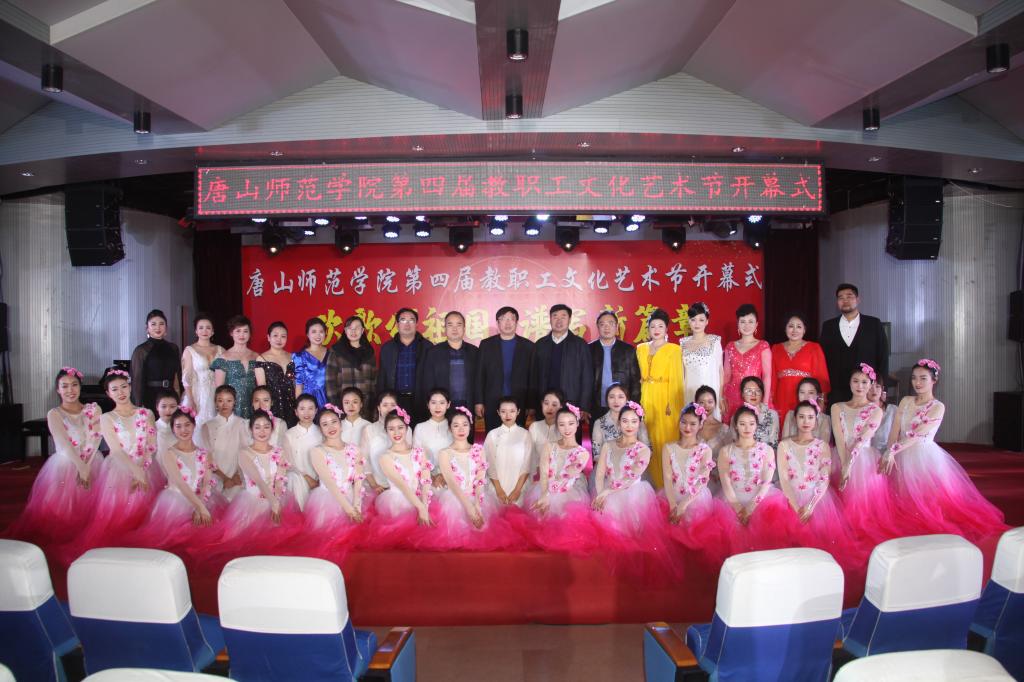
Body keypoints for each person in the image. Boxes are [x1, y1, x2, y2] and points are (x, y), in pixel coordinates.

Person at [881, 360, 1006, 542]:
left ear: (934, 380)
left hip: (924, 457)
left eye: (923, 378)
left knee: (926, 499)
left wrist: (892, 451)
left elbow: (916, 434)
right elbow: (895, 430)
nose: (917, 382)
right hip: (900, 455)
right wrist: (889, 451)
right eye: (914, 378)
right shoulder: (906, 401)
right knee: (901, 497)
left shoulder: (937, 406)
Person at [64, 369, 161, 559]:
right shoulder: (107, 418)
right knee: (119, 517)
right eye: (115, 389)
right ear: (108, 393)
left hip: (146, 465)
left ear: (130, 387)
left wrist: (142, 469)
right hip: (120, 468)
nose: (121, 392)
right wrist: (135, 471)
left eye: (124, 387)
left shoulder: (146, 413)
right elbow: (116, 450)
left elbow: (151, 444)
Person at [6, 367, 103, 547]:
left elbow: (96, 438)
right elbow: (64, 444)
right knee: (65, 507)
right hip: (66, 462)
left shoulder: (94, 409)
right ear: (58, 390)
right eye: (64, 386)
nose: (70, 390)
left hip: (92, 460)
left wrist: (87, 465)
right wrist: (80, 466)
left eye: (74, 385)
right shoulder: (54, 414)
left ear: (80, 387)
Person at [592, 402, 678, 581]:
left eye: (633, 421)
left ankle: (629, 576)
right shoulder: (608, 445)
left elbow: (630, 477)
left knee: (632, 539)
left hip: (633, 495)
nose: (629, 425)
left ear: (639, 423)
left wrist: (606, 493)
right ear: (619, 423)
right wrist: (601, 494)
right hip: (607, 492)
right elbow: (599, 475)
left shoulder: (643, 450)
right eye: (625, 421)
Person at [203, 409, 300, 561]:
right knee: (245, 547)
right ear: (251, 430)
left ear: (272, 429)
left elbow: (280, 479)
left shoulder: (280, 451)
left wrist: (277, 500)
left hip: (278, 498)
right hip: (252, 502)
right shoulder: (244, 453)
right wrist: (273, 503)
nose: (262, 431)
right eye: (257, 427)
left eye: (266, 427)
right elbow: (258, 480)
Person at [127, 406, 223, 553]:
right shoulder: (169, 453)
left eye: (187, 425)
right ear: (173, 429)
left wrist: (202, 504)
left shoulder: (205, 453)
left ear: (194, 425)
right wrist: (199, 507)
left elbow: (207, 483)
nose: (183, 430)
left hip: (202, 499)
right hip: (176, 502)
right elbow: (180, 483)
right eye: (178, 426)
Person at [777, 401, 860, 568]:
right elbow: (784, 479)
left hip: (818, 501)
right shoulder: (784, 445)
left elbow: (824, 477)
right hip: (788, 499)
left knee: (817, 551)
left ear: (816, 420)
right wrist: (796, 507)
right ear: (795, 419)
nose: (806, 421)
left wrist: (811, 506)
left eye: (810, 417)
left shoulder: (822, 446)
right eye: (801, 417)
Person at [432, 407, 523, 550]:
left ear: (470, 427)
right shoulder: (444, 453)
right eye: (456, 425)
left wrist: (478, 506)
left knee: (485, 534)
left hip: (478, 498)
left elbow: (480, 480)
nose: (461, 429)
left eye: (465, 425)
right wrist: (469, 508)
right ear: (449, 428)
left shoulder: (479, 450)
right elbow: (451, 482)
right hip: (455, 499)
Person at [832, 364, 900, 544]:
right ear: (849, 383)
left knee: (863, 507)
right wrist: (843, 463)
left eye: (864, 382)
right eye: (855, 381)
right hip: (841, 456)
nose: (860, 386)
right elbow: (839, 438)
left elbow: (861, 439)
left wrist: (849, 465)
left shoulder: (875, 411)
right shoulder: (837, 407)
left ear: (870, 385)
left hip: (864, 460)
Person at [661, 403, 732, 567]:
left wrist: (683, 505)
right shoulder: (668, 448)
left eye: (693, 423)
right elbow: (667, 477)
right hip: (671, 497)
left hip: (696, 499)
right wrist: (673, 504)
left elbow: (702, 480)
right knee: (672, 545)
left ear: (700, 425)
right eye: (684, 422)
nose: (687, 427)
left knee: (695, 544)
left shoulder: (704, 450)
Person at [521, 405, 598, 553]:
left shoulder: (582, 453)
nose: (566, 428)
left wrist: (549, 496)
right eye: (562, 424)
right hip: (545, 488)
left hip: (568, 491)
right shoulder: (549, 446)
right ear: (557, 426)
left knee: (564, 528)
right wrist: (544, 494)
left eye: (570, 423)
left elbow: (565, 478)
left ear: (577, 423)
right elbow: (544, 472)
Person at [717, 404, 789, 554]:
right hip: (731, 502)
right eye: (742, 424)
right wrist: (738, 509)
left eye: (751, 423)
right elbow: (726, 482)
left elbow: (766, 482)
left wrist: (750, 508)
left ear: (757, 425)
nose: (747, 428)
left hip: (761, 501)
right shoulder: (725, 451)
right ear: (735, 426)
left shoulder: (767, 450)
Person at [303, 406, 368, 559]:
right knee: (329, 547)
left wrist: (357, 506)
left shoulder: (354, 449)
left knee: (355, 549)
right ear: (320, 429)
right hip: (328, 501)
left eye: (334, 422)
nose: (331, 427)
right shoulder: (317, 451)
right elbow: (330, 483)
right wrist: (349, 510)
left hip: (353, 498)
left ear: (340, 423)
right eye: (325, 424)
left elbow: (358, 479)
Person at [365, 408, 436, 548]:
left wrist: (425, 505)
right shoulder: (385, 457)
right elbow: (403, 486)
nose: (396, 433)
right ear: (386, 431)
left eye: (400, 427)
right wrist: (421, 508)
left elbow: (426, 480)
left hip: (422, 498)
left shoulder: (419, 452)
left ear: (407, 428)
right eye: (391, 429)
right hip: (398, 503)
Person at [637, 308, 684, 488]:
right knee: (647, 438)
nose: (656, 330)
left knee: (665, 440)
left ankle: (668, 485)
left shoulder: (674, 350)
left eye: (660, 326)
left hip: (665, 400)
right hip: (646, 397)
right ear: (648, 329)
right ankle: (653, 484)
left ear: (666, 329)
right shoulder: (641, 349)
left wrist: (673, 404)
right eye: (653, 326)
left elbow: (677, 380)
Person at [820, 284, 889, 404]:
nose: (845, 300)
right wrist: (823, 392)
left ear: (857, 299)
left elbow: (883, 357)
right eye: (841, 298)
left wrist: (883, 389)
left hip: (866, 389)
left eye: (849, 296)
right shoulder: (828, 326)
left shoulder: (873, 324)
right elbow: (822, 361)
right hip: (836, 391)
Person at [476, 307, 535, 432]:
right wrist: (479, 402)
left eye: (511, 319)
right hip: (492, 401)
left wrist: (531, 404)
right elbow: (479, 375)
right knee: (493, 435)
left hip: (518, 401)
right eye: (503, 319)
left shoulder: (528, 346)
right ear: (497, 323)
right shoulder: (486, 345)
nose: (507, 323)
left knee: (516, 436)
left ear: (516, 322)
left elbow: (532, 377)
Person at [532, 304, 593, 424]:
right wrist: (532, 404)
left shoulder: (580, 345)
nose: (559, 320)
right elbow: (534, 376)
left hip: (571, 404)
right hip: (545, 404)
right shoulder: (540, 344)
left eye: (563, 317)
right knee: (545, 434)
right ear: (550, 320)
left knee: (569, 434)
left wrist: (584, 406)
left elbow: (587, 377)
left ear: (569, 320)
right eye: (555, 316)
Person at [771, 314, 830, 421]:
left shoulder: (814, 348)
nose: (794, 330)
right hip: (782, 398)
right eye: (791, 326)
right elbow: (772, 378)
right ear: (785, 328)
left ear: (804, 330)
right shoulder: (776, 349)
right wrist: (770, 402)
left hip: (806, 398)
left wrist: (821, 403)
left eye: (799, 326)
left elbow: (822, 378)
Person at [418, 311, 479, 411]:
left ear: (464, 328)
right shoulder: (433, 352)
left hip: (468, 405)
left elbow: (479, 381)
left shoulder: (474, 352)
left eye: (459, 325)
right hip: (442, 407)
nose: (454, 329)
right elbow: (428, 382)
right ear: (445, 328)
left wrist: (478, 402)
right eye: (450, 325)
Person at [378, 308, 430, 423]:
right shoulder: (387, 348)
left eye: (411, 320)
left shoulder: (427, 347)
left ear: (416, 324)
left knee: (419, 431)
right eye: (403, 320)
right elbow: (382, 378)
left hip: (420, 400)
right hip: (395, 401)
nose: (407, 324)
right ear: (397, 324)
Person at [722, 304, 772, 424]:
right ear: (738, 324)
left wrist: (764, 402)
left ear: (756, 324)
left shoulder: (763, 346)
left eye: (750, 321)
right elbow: (726, 375)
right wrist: (722, 396)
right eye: (743, 321)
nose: (746, 325)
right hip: (732, 396)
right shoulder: (730, 346)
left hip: (754, 396)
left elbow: (767, 376)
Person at [589, 310, 641, 422]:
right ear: (598, 327)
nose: (606, 327)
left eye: (610, 323)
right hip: (596, 405)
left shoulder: (628, 350)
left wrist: (633, 405)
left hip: (622, 406)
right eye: (602, 324)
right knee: (597, 432)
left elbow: (635, 381)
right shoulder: (588, 349)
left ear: (617, 327)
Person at [199, 385, 247, 501]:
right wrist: (224, 478)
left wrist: (237, 475)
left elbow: (246, 452)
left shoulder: (242, 423)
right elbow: (207, 457)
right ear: (215, 403)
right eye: (220, 401)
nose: (224, 404)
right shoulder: (207, 426)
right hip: (215, 475)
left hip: (238, 475)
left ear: (234, 402)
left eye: (229, 400)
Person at [325, 316, 377, 420]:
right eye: (350, 328)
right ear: (345, 331)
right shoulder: (336, 351)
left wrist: (372, 404)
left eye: (357, 328)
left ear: (362, 330)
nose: (353, 331)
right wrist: (335, 405)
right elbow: (329, 381)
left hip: (365, 406)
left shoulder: (369, 352)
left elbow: (374, 381)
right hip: (343, 406)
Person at [360, 390, 412, 493]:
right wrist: (374, 485)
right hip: (376, 485)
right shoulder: (369, 429)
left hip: (400, 486)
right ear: (379, 407)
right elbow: (363, 459)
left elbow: (409, 459)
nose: (389, 409)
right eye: (385, 405)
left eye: (393, 405)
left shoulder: (407, 429)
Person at [484, 397, 533, 508]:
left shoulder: (525, 434)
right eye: (503, 411)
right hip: (496, 485)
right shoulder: (492, 434)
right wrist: (498, 490)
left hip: (519, 485)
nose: (508, 415)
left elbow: (527, 465)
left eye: (512, 411)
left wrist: (517, 490)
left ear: (518, 412)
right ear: (498, 412)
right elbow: (489, 464)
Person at [130, 309, 181, 411]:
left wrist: (179, 398)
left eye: (161, 324)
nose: (158, 327)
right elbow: (136, 380)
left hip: (170, 396)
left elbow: (178, 375)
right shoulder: (141, 350)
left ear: (166, 327)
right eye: (153, 324)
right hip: (150, 397)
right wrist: (138, 405)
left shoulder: (173, 348)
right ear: (147, 328)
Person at [180, 313, 223, 432]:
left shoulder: (220, 350)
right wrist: (190, 400)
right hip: (197, 394)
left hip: (216, 393)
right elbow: (186, 378)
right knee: (198, 428)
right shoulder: (190, 350)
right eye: (201, 328)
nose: (204, 331)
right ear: (196, 331)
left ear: (212, 331)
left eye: (208, 328)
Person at [680, 302, 723, 415]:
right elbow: (682, 373)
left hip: (710, 392)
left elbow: (720, 370)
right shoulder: (683, 343)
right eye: (693, 319)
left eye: (701, 320)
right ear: (689, 321)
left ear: (707, 321)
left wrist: (720, 395)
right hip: (689, 391)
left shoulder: (714, 341)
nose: (697, 323)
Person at [212, 315, 258, 419]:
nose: (242, 335)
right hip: (232, 406)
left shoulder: (256, 357)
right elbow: (219, 389)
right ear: (231, 333)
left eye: (245, 331)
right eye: (238, 331)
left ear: (250, 334)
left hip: (253, 404)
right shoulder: (223, 358)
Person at [590, 383, 652, 461]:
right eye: (612, 397)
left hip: (633, 465)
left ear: (627, 399)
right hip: (606, 466)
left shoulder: (637, 421)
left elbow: (648, 449)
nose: (616, 401)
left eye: (621, 397)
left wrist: (631, 463)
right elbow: (596, 454)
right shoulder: (599, 423)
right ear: (606, 400)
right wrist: (614, 464)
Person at [253, 321, 297, 427]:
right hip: (273, 407)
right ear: (268, 337)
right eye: (275, 335)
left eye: (283, 336)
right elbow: (262, 389)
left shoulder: (293, 357)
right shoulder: (261, 359)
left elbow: (297, 384)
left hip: (292, 405)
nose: (279, 339)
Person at [285, 394, 324, 511]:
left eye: (310, 408)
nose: (306, 413)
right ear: (296, 412)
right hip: (298, 479)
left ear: (316, 411)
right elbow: (288, 462)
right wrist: (306, 478)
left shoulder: (322, 432)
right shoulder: (289, 434)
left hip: (321, 480)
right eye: (302, 409)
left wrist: (320, 479)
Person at [413, 388, 454, 485]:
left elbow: (459, 454)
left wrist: (444, 475)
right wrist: (428, 476)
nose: (437, 407)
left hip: (451, 478)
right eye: (433, 403)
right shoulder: (420, 427)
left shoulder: (454, 426)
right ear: (428, 405)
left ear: (448, 404)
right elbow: (415, 456)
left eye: (442, 403)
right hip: (426, 479)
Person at [780, 378, 832, 444]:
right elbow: (784, 442)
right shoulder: (790, 415)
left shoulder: (824, 419)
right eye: (802, 392)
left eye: (811, 393)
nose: (806, 396)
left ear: (817, 395)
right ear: (798, 394)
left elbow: (824, 445)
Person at [293, 317, 330, 407]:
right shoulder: (300, 356)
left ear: (325, 333)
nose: (318, 335)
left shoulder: (332, 353)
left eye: (321, 332)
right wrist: (300, 407)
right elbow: (299, 385)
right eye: (314, 332)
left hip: (329, 399)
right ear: (307, 334)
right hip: (309, 400)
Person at [528, 389, 563, 481]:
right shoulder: (534, 426)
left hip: (559, 474)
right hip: (536, 472)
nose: (549, 408)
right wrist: (538, 468)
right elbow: (530, 453)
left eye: (554, 405)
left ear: (560, 407)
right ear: (541, 404)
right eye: (546, 403)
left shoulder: (564, 428)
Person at [738, 376, 779, 448]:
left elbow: (773, 442)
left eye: (757, 391)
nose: (753, 394)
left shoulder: (772, 414)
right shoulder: (737, 416)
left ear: (762, 394)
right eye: (749, 391)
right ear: (742, 394)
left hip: (766, 453)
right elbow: (735, 441)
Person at [695, 386, 732, 456]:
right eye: (702, 402)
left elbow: (730, 455)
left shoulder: (724, 429)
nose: (706, 405)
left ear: (715, 404)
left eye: (710, 402)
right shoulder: (691, 427)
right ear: (696, 404)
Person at [250, 386, 288, 450]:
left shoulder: (281, 424)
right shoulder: (245, 424)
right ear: (252, 403)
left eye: (265, 400)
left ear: (271, 402)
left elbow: (283, 450)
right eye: (257, 400)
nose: (261, 405)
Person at [868, 379, 897, 453]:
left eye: (877, 386)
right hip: (865, 455)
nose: (874, 390)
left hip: (887, 454)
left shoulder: (893, 410)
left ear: (882, 389)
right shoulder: (861, 412)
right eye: (870, 387)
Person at [153, 389, 180, 463]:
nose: (168, 410)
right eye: (164, 406)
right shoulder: (152, 428)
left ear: (178, 407)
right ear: (157, 407)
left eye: (172, 406)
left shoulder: (182, 429)